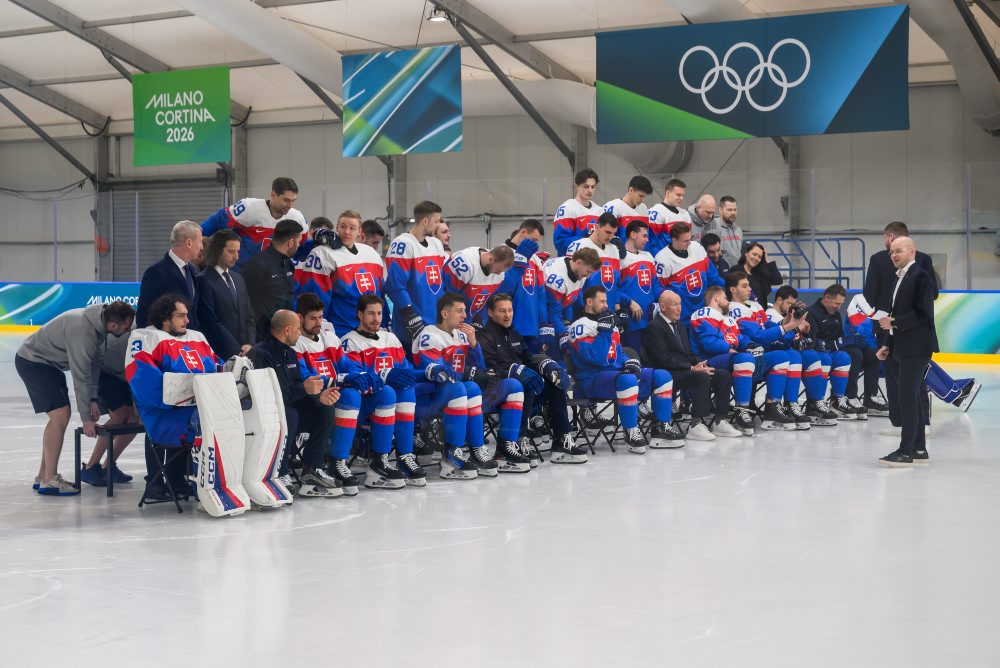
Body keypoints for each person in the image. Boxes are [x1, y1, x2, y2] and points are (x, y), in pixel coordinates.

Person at [16, 301, 135, 495]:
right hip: (34, 361)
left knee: (59, 416)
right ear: (113, 325)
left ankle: (43, 475)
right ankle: (50, 480)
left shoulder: (98, 324)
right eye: (126, 327)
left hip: (49, 364)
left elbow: (94, 364)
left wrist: (94, 398)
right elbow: (81, 376)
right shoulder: (84, 331)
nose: (129, 330)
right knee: (60, 415)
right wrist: (86, 418)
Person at [293, 294, 403, 492]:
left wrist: (363, 375)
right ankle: (337, 462)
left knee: (385, 392)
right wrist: (345, 379)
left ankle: (379, 461)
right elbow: (308, 378)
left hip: (343, 403)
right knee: (351, 394)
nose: (318, 323)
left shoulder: (329, 338)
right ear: (299, 318)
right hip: (317, 404)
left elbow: (347, 365)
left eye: (320, 317)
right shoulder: (295, 343)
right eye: (313, 318)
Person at [865, 221, 979, 412]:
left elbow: (869, 295)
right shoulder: (923, 259)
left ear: (891, 237)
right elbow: (932, 294)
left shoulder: (877, 260)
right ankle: (939, 404)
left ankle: (908, 416)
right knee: (918, 368)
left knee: (901, 374)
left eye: (885, 238)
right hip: (917, 327)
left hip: (888, 327)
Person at [411, 293, 524, 478]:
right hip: (431, 397)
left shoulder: (462, 335)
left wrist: (474, 345)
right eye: (460, 311)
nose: (465, 316)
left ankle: (501, 449)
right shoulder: (428, 335)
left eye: (465, 311)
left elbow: (480, 371)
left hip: (463, 393)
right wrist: (467, 375)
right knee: (466, 387)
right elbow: (435, 373)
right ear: (445, 313)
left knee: (513, 386)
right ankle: (451, 455)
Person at [566, 286, 685, 453]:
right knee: (627, 380)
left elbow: (617, 353)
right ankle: (631, 431)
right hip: (591, 379)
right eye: (602, 301)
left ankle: (661, 428)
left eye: (606, 301)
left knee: (662, 376)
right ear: (589, 302)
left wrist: (629, 362)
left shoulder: (607, 322)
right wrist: (605, 332)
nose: (606, 305)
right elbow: (595, 357)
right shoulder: (579, 326)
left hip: (615, 376)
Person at [126, 294, 221, 500]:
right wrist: (185, 396)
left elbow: (216, 365)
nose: (187, 321)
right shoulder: (145, 338)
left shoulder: (197, 337)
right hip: (163, 412)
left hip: (197, 408)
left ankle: (177, 481)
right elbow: (143, 380)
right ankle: (156, 483)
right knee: (197, 424)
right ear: (164, 319)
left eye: (187, 316)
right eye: (181, 316)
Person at [248, 309, 341, 497]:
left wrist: (318, 396)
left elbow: (297, 385)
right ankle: (279, 473)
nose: (300, 332)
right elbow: (269, 395)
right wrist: (304, 389)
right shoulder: (260, 353)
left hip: (288, 408)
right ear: (288, 330)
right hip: (265, 413)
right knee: (290, 413)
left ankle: (312, 471)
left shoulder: (290, 353)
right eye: (298, 329)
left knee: (325, 409)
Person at [479, 293, 577, 466]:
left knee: (555, 386)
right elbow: (489, 372)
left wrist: (546, 364)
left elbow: (528, 360)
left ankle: (562, 440)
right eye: (502, 311)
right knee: (524, 385)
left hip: (522, 390)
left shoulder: (515, 333)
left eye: (510, 310)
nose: (507, 315)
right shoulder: (484, 336)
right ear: (491, 313)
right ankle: (517, 440)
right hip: (496, 393)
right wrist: (516, 371)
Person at [341, 294, 427, 486]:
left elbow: (406, 372)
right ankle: (379, 460)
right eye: (371, 313)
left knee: (406, 389)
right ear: (360, 315)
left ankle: (405, 456)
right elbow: (356, 375)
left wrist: (429, 370)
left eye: (379, 313)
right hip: (366, 403)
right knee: (389, 391)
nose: (376, 318)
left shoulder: (391, 337)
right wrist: (385, 376)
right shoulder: (349, 341)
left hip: (391, 400)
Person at [642, 291, 741, 440]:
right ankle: (696, 424)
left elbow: (688, 353)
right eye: (675, 305)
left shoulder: (680, 325)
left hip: (684, 370)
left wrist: (699, 364)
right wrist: (691, 368)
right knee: (700, 377)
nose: (679, 308)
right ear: (662, 307)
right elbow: (662, 358)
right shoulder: (654, 327)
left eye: (680, 304)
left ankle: (720, 421)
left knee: (722, 375)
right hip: (666, 374)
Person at [875, 236, 939, 466]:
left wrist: (893, 323)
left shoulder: (920, 277)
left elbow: (923, 314)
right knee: (912, 397)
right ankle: (919, 449)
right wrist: (886, 344)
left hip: (917, 346)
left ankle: (906, 451)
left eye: (899, 251)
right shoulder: (899, 278)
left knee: (907, 399)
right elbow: (894, 313)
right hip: (902, 345)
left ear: (912, 252)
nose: (894, 255)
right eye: (891, 252)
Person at [689, 286, 780, 436]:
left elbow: (739, 338)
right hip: (708, 360)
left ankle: (773, 408)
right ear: (716, 298)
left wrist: (751, 345)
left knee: (779, 357)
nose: (728, 301)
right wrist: (730, 349)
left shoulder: (728, 319)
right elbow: (708, 342)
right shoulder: (704, 313)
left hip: (730, 358)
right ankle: (741, 412)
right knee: (744, 358)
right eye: (725, 298)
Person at [725, 272, 810, 429]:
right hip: (746, 356)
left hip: (760, 355)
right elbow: (759, 336)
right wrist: (790, 326)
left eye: (749, 284)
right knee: (781, 356)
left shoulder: (755, 305)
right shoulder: (734, 309)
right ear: (732, 290)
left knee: (792, 355)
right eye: (744, 286)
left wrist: (788, 321)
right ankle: (760, 409)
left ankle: (780, 406)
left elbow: (769, 328)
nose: (749, 288)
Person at [295, 209, 386, 335]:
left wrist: (385, 321)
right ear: (337, 227)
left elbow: (380, 295)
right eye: (343, 227)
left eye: (352, 228)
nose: (347, 232)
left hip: (369, 330)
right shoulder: (322, 253)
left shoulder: (372, 254)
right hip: (340, 330)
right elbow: (314, 299)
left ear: (360, 231)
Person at [767, 286, 842, 426]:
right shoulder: (770, 315)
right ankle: (791, 404)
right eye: (789, 304)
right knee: (796, 356)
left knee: (822, 357)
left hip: (790, 349)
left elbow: (800, 340)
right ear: (778, 300)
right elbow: (777, 340)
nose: (791, 307)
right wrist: (796, 328)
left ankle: (815, 403)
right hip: (779, 351)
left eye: (793, 305)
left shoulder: (787, 316)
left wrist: (805, 332)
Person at [80, 327, 142, 486]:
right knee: (120, 416)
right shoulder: (134, 337)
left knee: (135, 418)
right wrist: (90, 402)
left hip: (121, 373)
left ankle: (109, 466)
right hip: (103, 371)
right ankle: (91, 467)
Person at [200, 177, 307, 269]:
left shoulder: (297, 218)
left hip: (273, 276)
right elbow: (218, 220)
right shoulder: (250, 208)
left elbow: (301, 248)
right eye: (286, 200)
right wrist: (198, 239)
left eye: (293, 201)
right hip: (243, 272)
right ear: (273, 195)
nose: (290, 205)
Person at [385, 201, 449, 348]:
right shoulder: (402, 244)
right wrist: (409, 315)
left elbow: (439, 282)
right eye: (436, 221)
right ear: (425, 221)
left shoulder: (436, 244)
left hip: (434, 320)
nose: (438, 225)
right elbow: (395, 285)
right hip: (412, 323)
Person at [804, 284, 870, 419]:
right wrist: (838, 343)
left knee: (844, 357)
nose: (839, 307)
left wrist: (847, 341)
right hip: (815, 354)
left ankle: (837, 400)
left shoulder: (836, 315)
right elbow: (813, 342)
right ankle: (816, 402)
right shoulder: (811, 313)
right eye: (837, 303)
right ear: (827, 298)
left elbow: (838, 339)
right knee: (825, 358)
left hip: (830, 352)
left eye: (841, 304)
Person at [196, 230, 256, 360]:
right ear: (217, 251)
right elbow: (211, 322)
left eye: (237, 252)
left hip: (244, 353)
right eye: (231, 251)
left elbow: (249, 315)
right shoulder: (203, 280)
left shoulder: (238, 278)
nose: (236, 257)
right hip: (219, 353)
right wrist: (236, 350)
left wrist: (249, 343)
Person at [242, 218, 303, 340]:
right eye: (298, 242)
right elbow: (244, 306)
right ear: (290, 243)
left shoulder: (288, 264)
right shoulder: (257, 266)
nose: (299, 246)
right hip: (262, 337)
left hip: (285, 335)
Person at [136, 220, 203, 329]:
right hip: (166, 342)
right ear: (189, 243)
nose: (202, 247)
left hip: (190, 341)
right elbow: (144, 316)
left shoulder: (193, 270)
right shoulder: (156, 272)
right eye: (200, 242)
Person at [654, 222, 724, 323]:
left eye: (690, 239)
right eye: (685, 241)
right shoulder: (662, 259)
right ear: (674, 240)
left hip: (704, 311)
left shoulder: (697, 248)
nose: (689, 243)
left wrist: (725, 292)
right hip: (681, 317)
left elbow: (713, 276)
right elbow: (658, 289)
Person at [495, 218, 546, 352]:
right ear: (523, 232)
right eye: (533, 240)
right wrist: (518, 261)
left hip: (532, 327)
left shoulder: (535, 260)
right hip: (509, 325)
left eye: (537, 242)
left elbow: (541, 295)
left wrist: (544, 324)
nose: (535, 245)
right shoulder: (501, 253)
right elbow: (500, 290)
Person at [540, 247, 601, 354]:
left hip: (561, 307)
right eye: (588, 271)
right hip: (542, 316)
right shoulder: (556, 279)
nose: (588, 276)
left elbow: (575, 297)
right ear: (579, 263)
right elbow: (553, 315)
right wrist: (564, 335)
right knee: (563, 349)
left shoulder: (577, 269)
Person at [566, 211, 627, 315]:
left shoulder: (614, 250)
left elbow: (614, 283)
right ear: (597, 227)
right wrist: (582, 307)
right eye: (607, 232)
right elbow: (571, 282)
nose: (610, 237)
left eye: (613, 233)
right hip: (586, 310)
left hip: (608, 310)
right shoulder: (578, 246)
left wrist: (617, 308)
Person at [843, 294, 890, 417]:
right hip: (850, 345)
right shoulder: (859, 299)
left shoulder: (883, 300)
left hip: (866, 346)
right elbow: (859, 327)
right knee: (856, 355)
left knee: (873, 354)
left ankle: (870, 397)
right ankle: (850, 396)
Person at [442, 244, 515, 322]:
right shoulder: (464, 263)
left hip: (472, 320)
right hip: (451, 319)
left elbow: (485, 301)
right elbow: (445, 296)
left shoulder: (500, 274)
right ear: (490, 259)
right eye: (498, 269)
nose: (498, 274)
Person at [618, 218, 660, 351]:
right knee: (633, 356)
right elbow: (612, 289)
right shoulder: (620, 258)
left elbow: (655, 285)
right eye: (644, 236)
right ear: (633, 234)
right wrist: (629, 302)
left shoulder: (648, 256)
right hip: (631, 321)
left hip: (650, 320)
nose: (647, 240)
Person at [553, 167, 603, 255]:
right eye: (586, 186)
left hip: (594, 263)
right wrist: (586, 239)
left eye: (593, 187)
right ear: (576, 186)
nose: (590, 190)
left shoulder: (599, 211)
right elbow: (560, 243)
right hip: (573, 263)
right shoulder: (567, 208)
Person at [646, 178, 692, 258]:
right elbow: (650, 243)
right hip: (665, 261)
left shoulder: (685, 214)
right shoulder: (655, 212)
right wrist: (660, 260)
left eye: (682, 195)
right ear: (667, 193)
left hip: (684, 261)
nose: (681, 198)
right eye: (678, 195)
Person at [733, 242, 782, 308]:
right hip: (744, 311)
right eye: (754, 254)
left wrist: (767, 260)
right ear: (746, 253)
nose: (756, 258)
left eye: (759, 257)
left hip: (761, 312)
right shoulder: (736, 270)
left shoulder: (760, 273)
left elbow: (778, 280)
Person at [603, 175, 652, 241]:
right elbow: (603, 235)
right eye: (640, 196)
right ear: (630, 190)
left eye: (644, 197)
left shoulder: (643, 208)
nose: (643, 200)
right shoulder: (613, 207)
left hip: (639, 251)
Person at [705, 196, 743, 268]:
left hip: (736, 272)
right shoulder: (712, 226)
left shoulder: (738, 230)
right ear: (720, 210)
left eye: (735, 210)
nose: (733, 213)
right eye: (729, 210)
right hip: (720, 271)